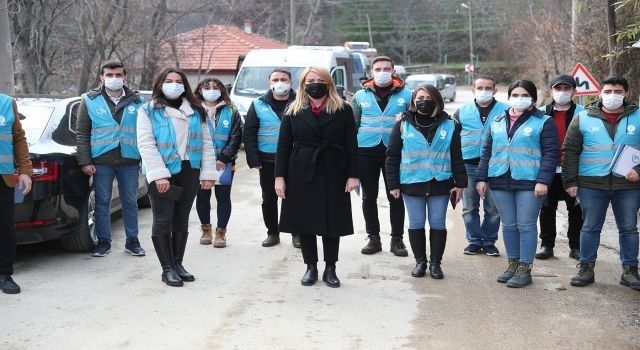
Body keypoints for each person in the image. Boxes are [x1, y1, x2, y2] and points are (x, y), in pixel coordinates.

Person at [275, 66, 359, 288]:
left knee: (332, 221)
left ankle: (330, 267)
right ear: (302, 84)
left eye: (319, 79)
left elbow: (351, 145)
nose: (315, 83)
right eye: (310, 80)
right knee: (305, 221)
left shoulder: (343, 109)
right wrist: (279, 177)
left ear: (329, 83)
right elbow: (283, 146)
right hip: (301, 170)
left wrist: (353, 175)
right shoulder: (292, 110)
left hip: (334, 168)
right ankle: (310, 266)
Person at [137, 67, 218, 287]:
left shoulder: (195, 110)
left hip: (189, 170)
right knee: (163, 219)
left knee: (181, 219)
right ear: (160, 84)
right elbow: (146, 144)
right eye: (169, 80)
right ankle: (167, 269)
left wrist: (208, 172)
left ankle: (178, 263)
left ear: (185, 85)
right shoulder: (147, 110)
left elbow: (207, 144)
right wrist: (159, 175)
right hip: (163, 172)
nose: (174, 84)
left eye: (178, 81)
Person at [476, 80, 558, 288]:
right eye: (515, 94)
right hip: (499, 178)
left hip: (529, 181)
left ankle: (525, 268)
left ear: (533, 98)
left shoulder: (544, 121)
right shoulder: (497, 120)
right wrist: (481, 178)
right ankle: (512, 264)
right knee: (509, 224)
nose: (519, 98)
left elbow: (550, 154)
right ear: (509, 96)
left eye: (524, 95)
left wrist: (543, 181)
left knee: (526, 224)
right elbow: (487, 152)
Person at [562, 76, 640, 290]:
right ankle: (586, 268)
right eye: (608, 91)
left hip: (628, 186)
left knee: (629, 228)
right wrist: (569, 181)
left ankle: (630, 270)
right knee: (589, 227)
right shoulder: (583, 117)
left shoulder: (638, 116)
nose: (612, 96)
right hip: (591, 184)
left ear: (626, 93)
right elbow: (570, 151)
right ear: (599, 92)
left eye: (617, 91)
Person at [386, 85, 466, 279]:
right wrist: (393, 184)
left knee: (438, 223)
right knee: (416, 222)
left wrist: (461, 183)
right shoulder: (402, 124)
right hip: (411, 183)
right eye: (420, 97)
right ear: (414, 101)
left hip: (440, 182)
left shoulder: (450, 124)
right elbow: (392, 156)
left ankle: (436, 264)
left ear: (437, 100)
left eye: (429, 97)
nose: (424, 100)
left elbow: (456, 156)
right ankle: (420, 262)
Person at [76, 60, 146, 257]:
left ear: (125, 76)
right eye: (109, 75)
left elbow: (144, 132)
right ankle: (103, 241)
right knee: (102, 201)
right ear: (101, 77)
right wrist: (86, 161)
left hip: (129, 159)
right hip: (101, 160)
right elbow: (82, 132)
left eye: (118, 75)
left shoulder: (137, 101)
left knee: (130, 201)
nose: (114, 79)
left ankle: (132, 241)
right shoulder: (89, 100)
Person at [351, 56, 411, 257]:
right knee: (369, 197)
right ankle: (373, 238)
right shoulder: (360, 95)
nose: (382, 71)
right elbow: (353, 125)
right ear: (371, 72)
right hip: (365, 151)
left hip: (395, 153)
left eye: (387, 68)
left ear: (393, 71)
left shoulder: (407, 94)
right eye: (378, 68)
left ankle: (397, 239)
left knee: (396, 196)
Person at [452, 75, 509, 256]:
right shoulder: (462, 112)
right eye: (480, 88)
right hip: (468, 165)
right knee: (469, 207)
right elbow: (453, 141)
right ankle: (475, 240)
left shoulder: (506, 111)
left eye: (488, 88)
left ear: (495, 90)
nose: (484, 91)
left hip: (496, 165)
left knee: (493, 208)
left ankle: (489, 241)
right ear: (473, 90)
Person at [244, 69, 299, 248]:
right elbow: (250, 132)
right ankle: (272, 233)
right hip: (267, 160)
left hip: (294, 159)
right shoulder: (258, 104)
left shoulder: (301, 102)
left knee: (293, 198)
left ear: (291, 82)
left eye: (284, 79)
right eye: (276, 79)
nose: (280, 82)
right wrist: (253, 158)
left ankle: (296, 234)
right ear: (269, 83)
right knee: (269, 198)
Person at [535, 74, 585, 260]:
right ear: (551, 91)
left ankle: (576, 246)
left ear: (574, 91)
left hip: (573, 169)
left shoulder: (583, 113)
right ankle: (547, 245)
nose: (562, 92)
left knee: (576, 209)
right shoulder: (540, 113)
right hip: (547, 169)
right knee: (547, 208)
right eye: (558, 88)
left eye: (567, 89)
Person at [193, 78, 242, 248]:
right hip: (200, 163)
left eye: (216, 87)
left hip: (224, 163)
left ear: (222, 90)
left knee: (223, 197)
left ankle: (221, 233)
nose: (211, 90)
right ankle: (206, 230)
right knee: (202, 196)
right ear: (199, 90)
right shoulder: (193, 110)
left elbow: (236, 136)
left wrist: (224, 158)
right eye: (207, 87)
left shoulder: (231, 110)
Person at [0, 93, 33, 294]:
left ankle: (4, 274)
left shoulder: (7, 103)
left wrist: (25, 171)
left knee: (5, 228)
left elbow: (18, 138)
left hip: (2, 176)